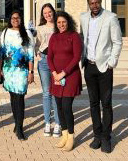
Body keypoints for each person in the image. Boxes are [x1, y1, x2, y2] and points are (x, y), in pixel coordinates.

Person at [80, 0, 122, 153]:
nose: (95, 6)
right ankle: (97, 135)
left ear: (100, 2)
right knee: (92, 103)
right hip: (89, 66)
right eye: (92, 3)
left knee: (106, 103)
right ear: (88, 4)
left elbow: (117, 42)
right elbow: (83, 38)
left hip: (104, 67)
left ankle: (106, 138)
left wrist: (112, 62)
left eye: (97, 2)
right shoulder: (84, 18)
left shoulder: (110, 17)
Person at [47, 11, 82, 152]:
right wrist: (55, 73)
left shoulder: (74, 36)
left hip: (70, 76)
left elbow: (76, 57)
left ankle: (71, 137)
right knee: (59, 107)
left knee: (67, 107)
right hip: (56, 77)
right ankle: (65, 135)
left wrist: (63, 73)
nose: (61, 25)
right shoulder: (53, 37)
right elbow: (49, 57)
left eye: (64, 22)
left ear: (68, 22)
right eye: (59, 22)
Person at [0, 10, 34, 141]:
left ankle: (20, 128)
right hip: (8, 70)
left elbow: (30, 55)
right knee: (13, 97)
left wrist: (31, 72)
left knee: (20, 98)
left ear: (21, 19)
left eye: (17, 18)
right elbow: (1, 53)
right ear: (10, 19)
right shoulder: (5, 32)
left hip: (21, 71)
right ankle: (16, 123)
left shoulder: (27, 33)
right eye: (13, 18)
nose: (15, 20)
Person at [35, 3, 61, 138]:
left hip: (57, 61)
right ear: (42, 15)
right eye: (45, 13)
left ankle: (58, 123)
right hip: (44, 61)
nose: (48, 15)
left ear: (53, 12)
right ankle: (47, 122)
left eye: (49, 12)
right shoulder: (40, 28)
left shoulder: (59, 25)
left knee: (57, 92)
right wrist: (38, 55)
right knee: (46, 92)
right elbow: (36, 44)